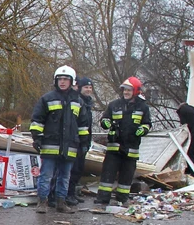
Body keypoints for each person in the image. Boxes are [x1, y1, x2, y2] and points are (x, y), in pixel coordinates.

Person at [30, 66, 83, 214]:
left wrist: (83, 142)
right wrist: (37, 137)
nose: (63, 82)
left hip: (70, 145)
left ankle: (61, 202)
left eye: (66, 79)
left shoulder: (78, 101)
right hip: (50, 144)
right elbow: (37, 120)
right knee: (46, 175)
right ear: (56, 80)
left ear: (71, 81)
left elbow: (83, 124)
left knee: (65, 176)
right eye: (60, 79)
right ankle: (42, 202)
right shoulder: (47, 98)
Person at [95, 77, 151, 206]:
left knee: (127, 175)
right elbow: (104, 119)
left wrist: (143, 129)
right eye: (124, 90)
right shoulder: (114, 104)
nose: (126, 92)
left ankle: (122, 198)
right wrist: (105, 122)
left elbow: (147, 123)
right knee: (108, 173)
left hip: (131, 147)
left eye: (129, 90)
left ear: (135, 91)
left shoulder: (143, 107)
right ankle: (102, 198)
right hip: (114, 147)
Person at [66, 77, 95, 206]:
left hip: (84, 140)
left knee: (79, 169)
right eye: (86, 87)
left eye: (90, 88)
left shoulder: (88, 103)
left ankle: (73, 193)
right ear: (79, 88)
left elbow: (87, 125)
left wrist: (86, 142)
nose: (88, 90)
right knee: (73, 169)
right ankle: (69, 194)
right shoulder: (77, 101)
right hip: (75, 140)